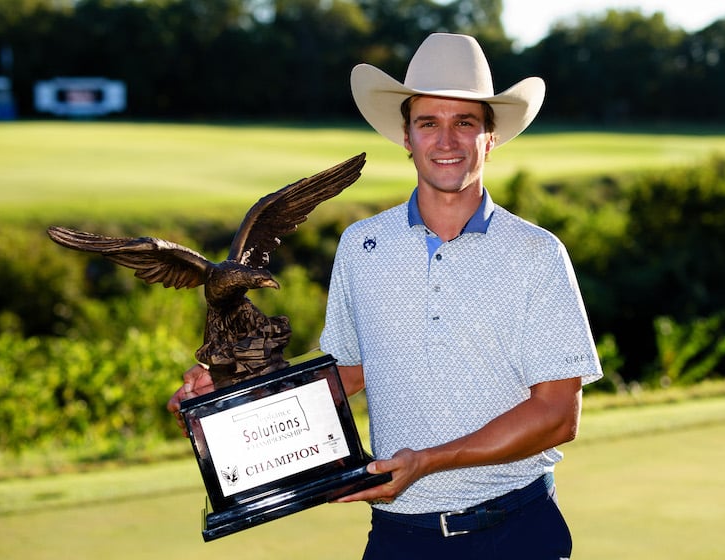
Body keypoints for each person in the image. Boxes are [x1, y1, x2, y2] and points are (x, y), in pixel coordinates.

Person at [169, 32, 602, 560]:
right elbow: (349, 370)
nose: (446, 140)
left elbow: (559, 415)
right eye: (429, 123)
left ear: (490, 137)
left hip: (516, 531)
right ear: (406, 136)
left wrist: (428, 461)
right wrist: (235, 393)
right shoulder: (362, 246)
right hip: (398, 539)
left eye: (465, 122)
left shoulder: (537, 254)